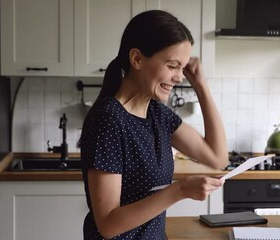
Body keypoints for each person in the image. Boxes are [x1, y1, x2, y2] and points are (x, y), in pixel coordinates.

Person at [79, 10, 228, 240]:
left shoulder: (157, 114)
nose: (179, 77)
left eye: (183, 67)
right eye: (172, 66)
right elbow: (108, 225)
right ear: (137, 59)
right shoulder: (108, 120)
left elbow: (217, 157)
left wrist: (201, 86)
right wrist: (179, 190)